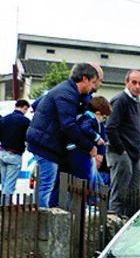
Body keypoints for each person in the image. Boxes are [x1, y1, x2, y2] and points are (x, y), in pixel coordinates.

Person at [26, 62, 101, 208]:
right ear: (84, 79)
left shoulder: (67, 91)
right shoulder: (67, 94)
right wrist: (89, 146)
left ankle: (39, 218)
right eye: (93, 83)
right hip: (46, 145)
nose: (93, 87)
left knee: (45, 185)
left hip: (45, 142)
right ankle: (41, 223)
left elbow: (36, 105)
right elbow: (68, 125)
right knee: (46, 186)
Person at [106, 70, 140, 217]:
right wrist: (121, 150)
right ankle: (115, 226)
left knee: (133, 196)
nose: (137, 86)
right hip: (121, 153)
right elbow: (110, 127)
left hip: (134, 154)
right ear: (126, 82)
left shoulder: (137, 102)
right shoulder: (120, 100)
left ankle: (128, 226)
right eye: (134, 82)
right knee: (120, 194)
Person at [66, 95, 110, 188]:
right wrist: (97, 138)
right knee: (83, 176)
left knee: (85, 175)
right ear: (98, 113)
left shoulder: (86, 117)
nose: (103, 121)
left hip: (79, 150)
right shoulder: (89, 118)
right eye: (104, 117)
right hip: (78, 151)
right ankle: (81, 198)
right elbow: (85, 128)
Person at [0, 100, 31, 201]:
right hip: (15, 154)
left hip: (2, 152)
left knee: (4, 182)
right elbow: (28, 138)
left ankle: (2, 204)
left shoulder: (4, 119)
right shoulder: (25, 121)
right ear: (24, 108)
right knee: (10, 184)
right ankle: (5, 207)